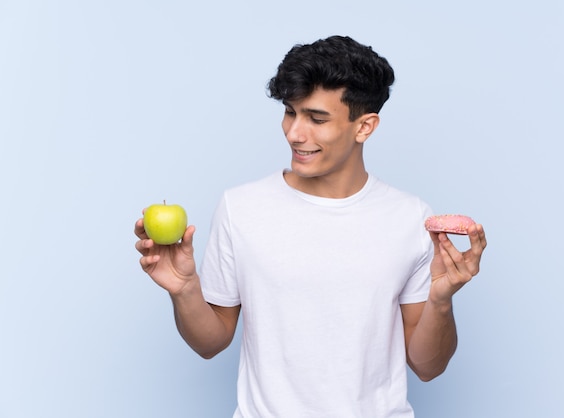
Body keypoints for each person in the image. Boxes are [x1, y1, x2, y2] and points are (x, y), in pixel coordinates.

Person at [135, 35, 487, 417]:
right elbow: (210, 342)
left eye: (316, 118)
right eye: (290, 112)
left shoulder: (408, 217)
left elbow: (428, 366)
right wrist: (185, 289)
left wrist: (440, 299)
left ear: (364, 126)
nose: (294, 133)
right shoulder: (241, 207)